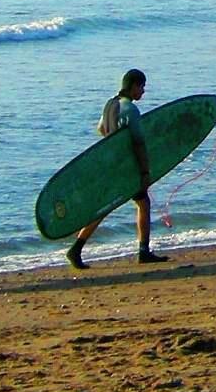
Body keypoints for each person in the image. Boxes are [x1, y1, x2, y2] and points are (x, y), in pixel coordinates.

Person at [66, 68, 168, 270]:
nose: (143, 92)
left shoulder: (111, 105)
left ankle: (77, 248)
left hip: (111, 166)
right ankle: (143, 252)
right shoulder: (131, 109)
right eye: (142, 87)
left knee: (113, 206)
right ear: (134, 86)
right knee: (139, 204)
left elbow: (101, 129)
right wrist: (145, 171)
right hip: (126, 169)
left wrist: (115, 141)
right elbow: (139, 143)